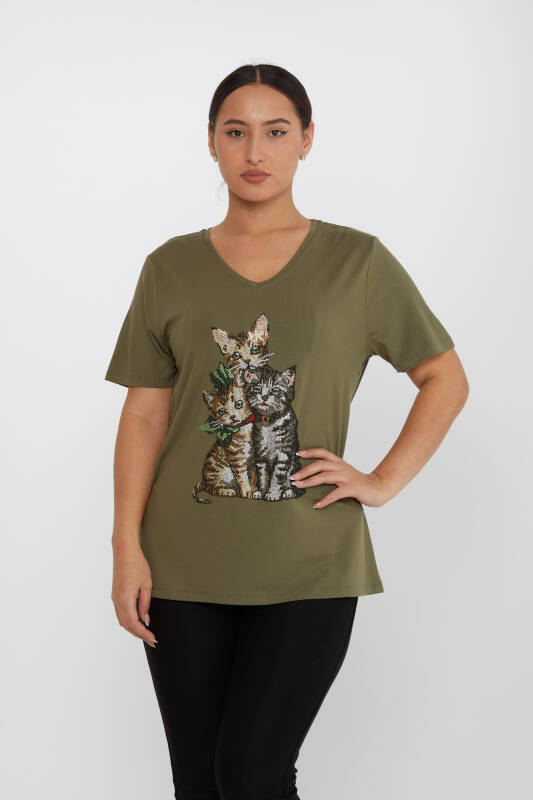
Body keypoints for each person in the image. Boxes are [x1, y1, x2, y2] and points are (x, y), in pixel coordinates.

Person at [105, 63, 469, 800]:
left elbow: (444, 378)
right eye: (235, 132)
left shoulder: (357, 261)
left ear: (306, 140)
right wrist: (126, 547)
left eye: (275, 132)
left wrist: (381, 481)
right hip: (181, 564)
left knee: (250, 775)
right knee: (199, 784)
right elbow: (144, 414)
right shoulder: (168, 267)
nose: (254, 152)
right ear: (211, 142)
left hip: (311, 561)